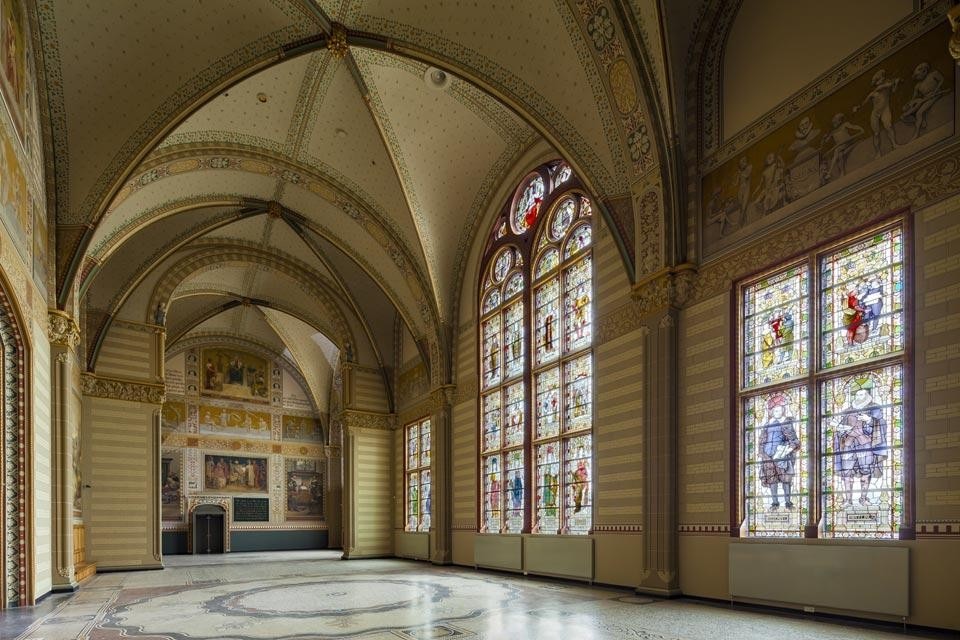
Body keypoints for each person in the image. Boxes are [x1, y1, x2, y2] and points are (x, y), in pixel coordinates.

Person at [834, 378, 887, 507]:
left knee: (866, 470)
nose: (859, 396)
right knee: (846, 472)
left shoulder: (874, 409)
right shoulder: (848, 411)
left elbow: (882, 425)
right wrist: (840, 428)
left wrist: (869, 420)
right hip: (848, 444)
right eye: (857, 394)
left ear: (867, 395)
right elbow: (841, 427)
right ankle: (848, 500)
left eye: (861, 394)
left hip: (865, 444)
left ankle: (863, 498)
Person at [758, 393, 800, 509]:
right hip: (768, 457)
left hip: (782, 456)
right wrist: (762, 453)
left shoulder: (786, 423)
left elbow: (794, 441)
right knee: (772, 480)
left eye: (779, 410)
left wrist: (786, 450)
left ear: (783, 410)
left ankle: (788, 502)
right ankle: (775, 502)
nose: (777, 412)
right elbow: (761, 440)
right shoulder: (767, 425)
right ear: (771, 411)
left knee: (786, 479)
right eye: (775, 410)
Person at [853, 69, 901, 158]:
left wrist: (896, 83)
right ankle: (878, 152)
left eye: (882, 78)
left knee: (888, 126)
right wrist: (858, 107)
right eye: (879, 80)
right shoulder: (873, 93)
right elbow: (864, 103)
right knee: (876, 134)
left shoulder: (886, 88)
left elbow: (893, 90)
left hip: (885, 110)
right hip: (875, 114)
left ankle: (894, 144)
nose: (881, 80)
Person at [902, 61, 946, 142]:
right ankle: (919, 120)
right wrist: (909, 104)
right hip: (926, 98)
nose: (916, 78)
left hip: (934, 95)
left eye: (917, 76)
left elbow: (941, 80)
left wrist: (936, 91)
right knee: (915, 106)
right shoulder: (918, 85)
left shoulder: (933, 74)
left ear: (924, 71)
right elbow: (914, 97)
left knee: (919, 113)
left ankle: (917, 133)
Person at [821, 112, 864, 179]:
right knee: (840, 155)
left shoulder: (845, 125)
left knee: (837, 150)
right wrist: (823, 139)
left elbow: (853, 126)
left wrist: (860, 129)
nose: (834, 123)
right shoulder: (832, 132)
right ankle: (842, 172)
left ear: (840, 121)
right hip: (840, 147)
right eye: (833, 122)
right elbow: (826, 141)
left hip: (847, 143)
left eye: (836, 121)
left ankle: (829, 172)